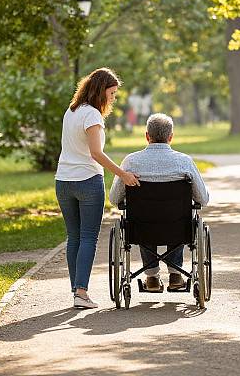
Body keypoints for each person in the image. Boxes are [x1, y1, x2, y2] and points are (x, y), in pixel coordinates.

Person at [55, 68, 140, 309]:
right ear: (100, 91)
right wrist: (123, 174)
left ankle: (76, 290)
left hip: (63, 181)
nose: (113, 98)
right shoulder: (92, 115)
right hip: (86, 182)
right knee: (88, 237)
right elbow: (96, 153)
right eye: (111, 93)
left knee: (74, 237)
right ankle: (81, 293)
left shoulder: (71, 112)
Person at [109, 113, 209, 292]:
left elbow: (114, 198)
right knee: (176, 217)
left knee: (145, 219)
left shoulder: (131, 161)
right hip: (178, 227)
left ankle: (152, 277)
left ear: (147, 136)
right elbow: (202, 198)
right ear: (171, 137)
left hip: (141, 227)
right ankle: (175, 275)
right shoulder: (184, 162)